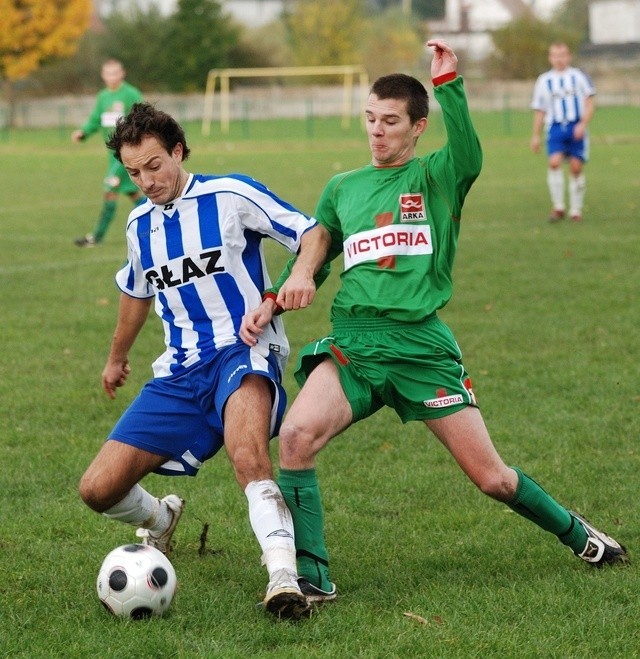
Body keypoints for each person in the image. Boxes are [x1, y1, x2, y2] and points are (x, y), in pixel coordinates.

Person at [241, 40, 628, 603]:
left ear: (418, 126)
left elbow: (469, 151)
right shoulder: (342, 188)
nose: (376, 131)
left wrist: (450, 83)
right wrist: (277, 296)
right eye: (370, 119)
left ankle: (579, 534)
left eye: (390, 121)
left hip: (421, 346)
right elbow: (316, 255)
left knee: (492, 478)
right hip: (355, 342)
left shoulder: (438, 176)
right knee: (297, 438)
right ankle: (314, 578)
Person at [78, 102, 328, 620]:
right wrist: (115, 358)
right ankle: (161, 519)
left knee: (247, 455)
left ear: (177, 151)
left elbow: (311, 232)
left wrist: (297, 278)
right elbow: (136, 292)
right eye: (132, 172)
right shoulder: (139, 224)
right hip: (178, 371)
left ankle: (283, 578)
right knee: (98, 489)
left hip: (243, 350)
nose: (145, 181)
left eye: (153, 165)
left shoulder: (229, 195)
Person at [72, 59, 145, 247]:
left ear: (122, 74)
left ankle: (96, 237)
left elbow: (143, 119)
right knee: (133, 194)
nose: (111, 77)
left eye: (115, 73)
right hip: (112, 155)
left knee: (109, 190)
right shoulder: (103, 96)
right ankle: (163, 221)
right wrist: (83, 132)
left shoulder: (131, 94)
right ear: (103, 76)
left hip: (126, 154)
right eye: (108, 73)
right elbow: (96, 119)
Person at [530, 42, 596, 223]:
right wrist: (535, 135)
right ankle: (558, 207)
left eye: (563, 55)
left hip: (576, 125)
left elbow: (590, 102)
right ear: (550, 58)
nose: (559, 59)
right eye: (555, 55)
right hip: (555, 127)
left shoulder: (579, 76)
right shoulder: (544, 81)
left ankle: (576, 210)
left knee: (576, 167)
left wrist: (583, 124)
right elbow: (539, 110)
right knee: (554, 162)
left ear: (569, 56)